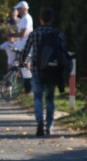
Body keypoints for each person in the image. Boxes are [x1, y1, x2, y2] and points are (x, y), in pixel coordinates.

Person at [21, 7, 68, 136]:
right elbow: (63, 52)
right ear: (51, 19)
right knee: (50, 98)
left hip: (37, 70)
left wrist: (23, 62)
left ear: (40, 19)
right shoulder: (58, 34)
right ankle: (50, 126)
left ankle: (39, 123)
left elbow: (25, 51)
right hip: (53, 71)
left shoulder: (34, 33)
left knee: (37, 97)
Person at [10, 1, 33, 93]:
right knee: (23, 67)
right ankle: (27, 89)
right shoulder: (24, 18)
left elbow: (23, 33)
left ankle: (28, 89)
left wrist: (13, 35)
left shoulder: (26, 18)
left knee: (25, 67)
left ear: (23, 8)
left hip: (25, 47)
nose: (18, 11)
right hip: (22, 46)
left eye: (19, 9)